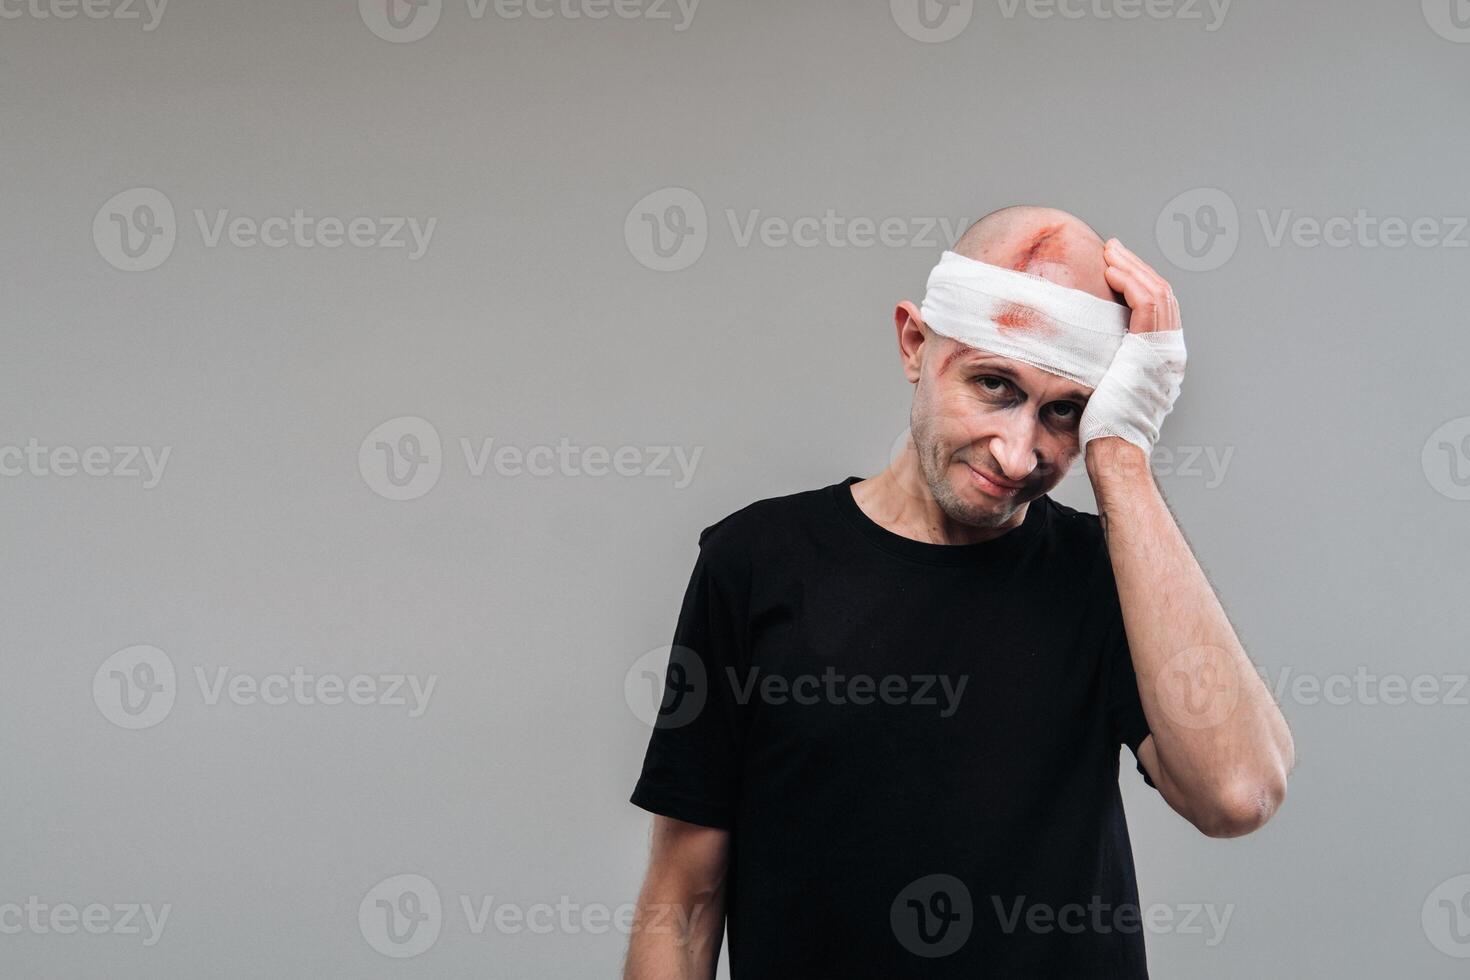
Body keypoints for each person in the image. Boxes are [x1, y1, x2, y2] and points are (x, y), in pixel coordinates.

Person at [623, 205, 1295, 979]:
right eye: (993, 385)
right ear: (915, 343)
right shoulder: (757, 563)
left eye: (1064, 412)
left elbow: (1238, 793)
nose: (1018, 454)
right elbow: (682, 907)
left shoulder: (1106, 572)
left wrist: (1123, 457)